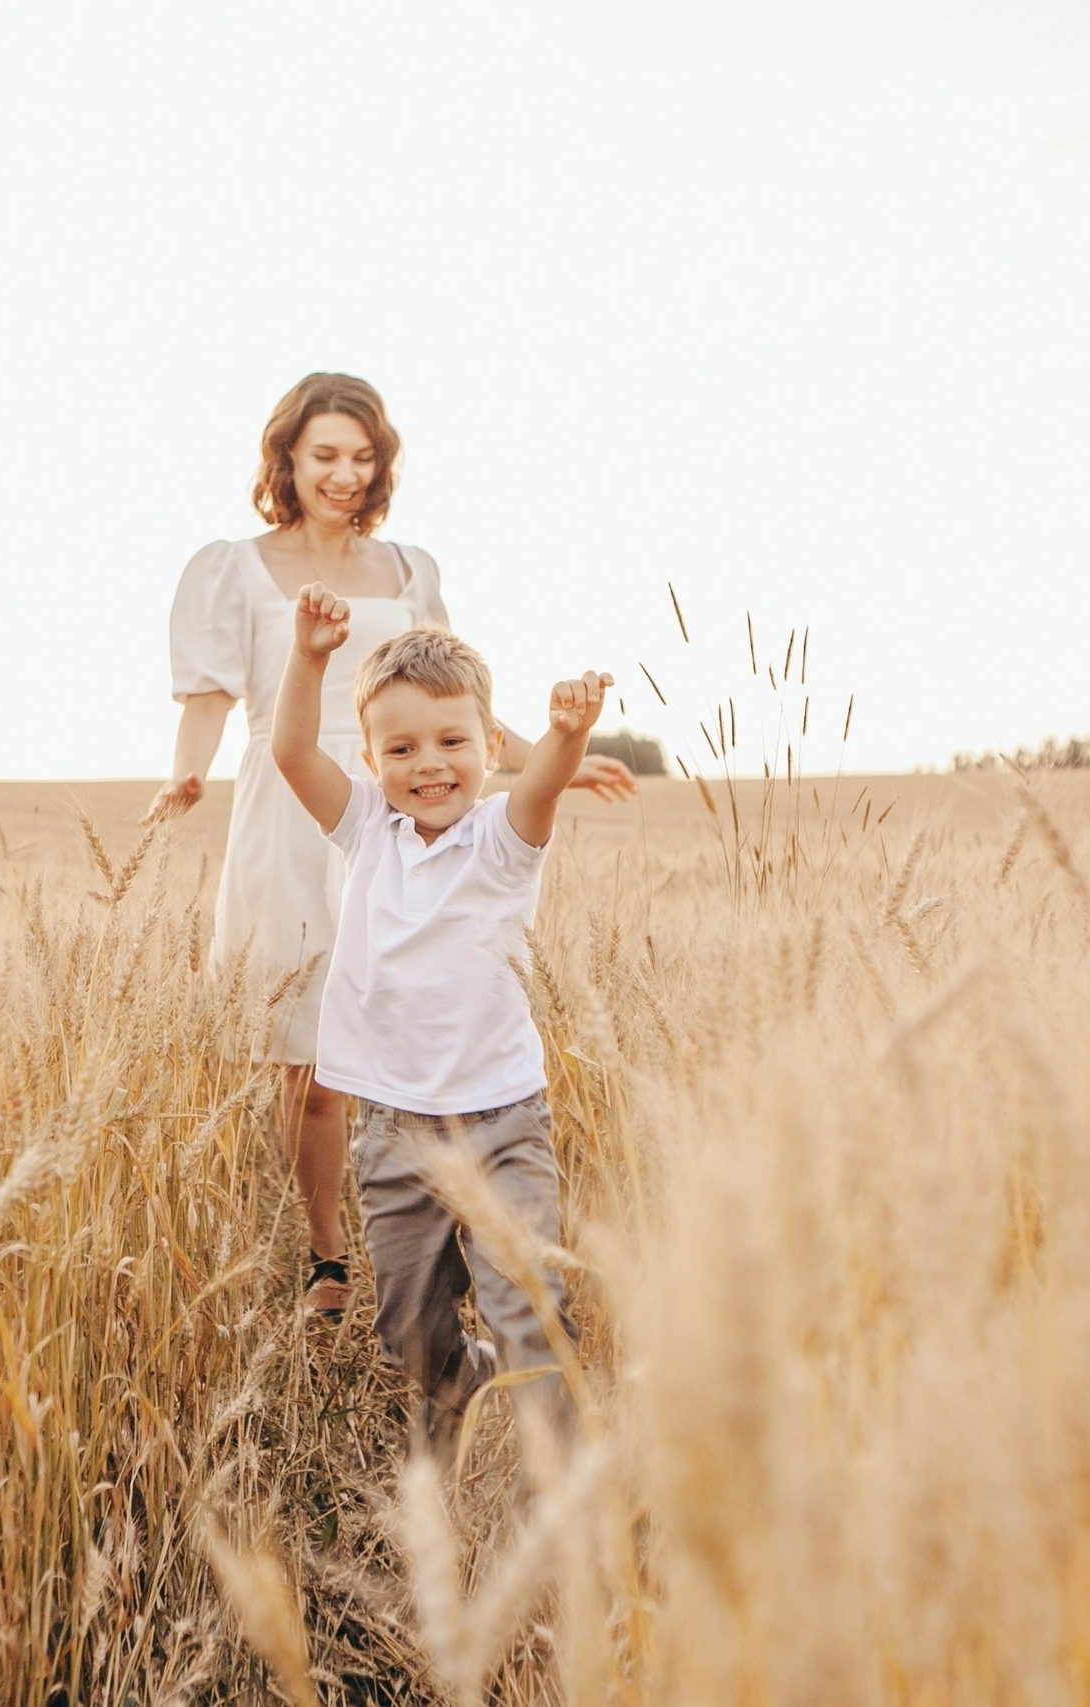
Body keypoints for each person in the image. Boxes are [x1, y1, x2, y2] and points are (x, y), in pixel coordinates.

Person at [148, 374, 633, 1319]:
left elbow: (458, 706)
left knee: (420, 998)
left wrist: (558, 761)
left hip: (412, 802)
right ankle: (328, 1250)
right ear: (285, 457)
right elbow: (208, 693)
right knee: (307, 1051)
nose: (344, 472)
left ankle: (446, 1230)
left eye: (362, 456)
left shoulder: (409, 570)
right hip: (298, 804)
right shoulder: (231, 566)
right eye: (325, 453)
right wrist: (187, 770)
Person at [270, 588, 607, 1466]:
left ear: (491, 748)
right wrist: (308, 660)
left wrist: (567, 735)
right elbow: (291, 750)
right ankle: (458, 1380)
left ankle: (562, 1493)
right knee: (408, 1333)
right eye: (403, 747)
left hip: (502, 1118)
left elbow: (544, 785)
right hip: (393, 1125)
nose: (430, 764)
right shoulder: (368, 832)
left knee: (527, 1304)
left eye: (454, 741)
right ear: (373, 758)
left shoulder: (503, 839)